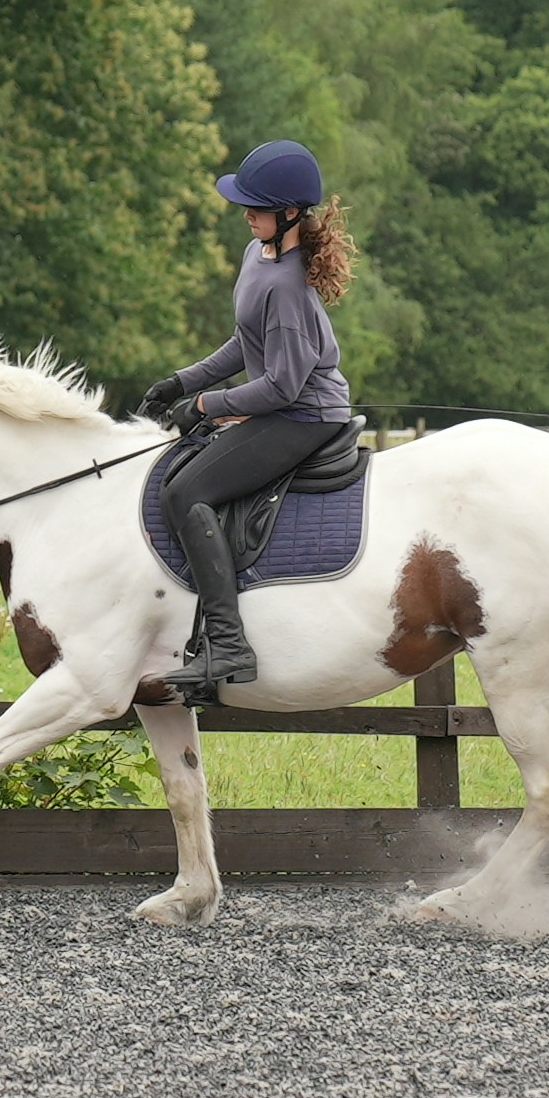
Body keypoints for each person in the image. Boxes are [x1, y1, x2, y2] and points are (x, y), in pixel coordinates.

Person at [138, 138, 356, 698]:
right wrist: (183, 381)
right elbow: (244, 342)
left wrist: (208, 405)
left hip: (304, 416)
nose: (246, 213)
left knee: (185, 493)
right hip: (281, 405)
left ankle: (229, 644)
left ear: (289, 214)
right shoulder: (257, 255)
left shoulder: (287, 284)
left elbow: (283, 386)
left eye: (256, 206)